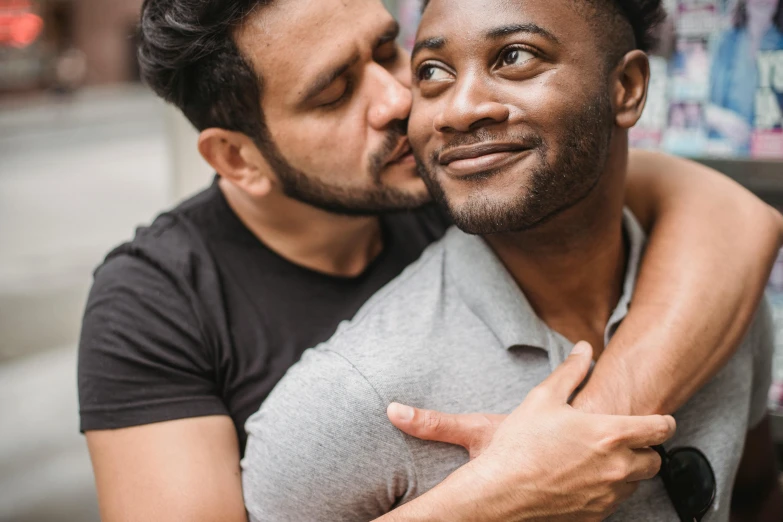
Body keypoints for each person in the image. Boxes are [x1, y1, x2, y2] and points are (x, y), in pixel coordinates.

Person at [78, 0, 783, 520]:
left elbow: (729, 216)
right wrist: (495, 497)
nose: (400, 102)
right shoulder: (155, 301)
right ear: (239, 158)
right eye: (334, 93)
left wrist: (594, 424)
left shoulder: (451, 176)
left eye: (390, 52)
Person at [708, 0, 783, 151]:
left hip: (770, 156)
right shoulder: (722, 41)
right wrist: (719, 119)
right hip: (722, 151)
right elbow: (697, 103)